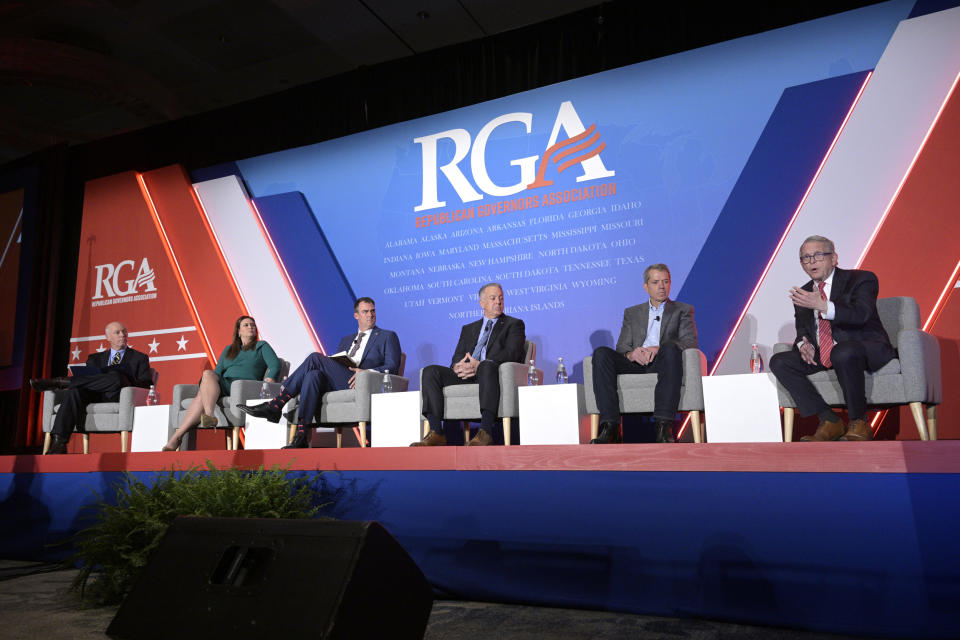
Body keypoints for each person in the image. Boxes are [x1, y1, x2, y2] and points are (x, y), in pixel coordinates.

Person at [769, 235, 894, 441]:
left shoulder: (862, 279)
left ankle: (859, 422)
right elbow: (802, 329)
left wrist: (824, 306)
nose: (812, 262)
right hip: (825, 352)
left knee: (842, 351)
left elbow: (861, 314)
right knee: (780, 361)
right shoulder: (804, 293)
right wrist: (803, 344)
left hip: (862, 346)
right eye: (805, 258)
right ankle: (829, 420)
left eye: (818, 255)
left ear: (834, 258)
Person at [240, 297, 401, 448]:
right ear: (356, 315)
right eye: (365, 311)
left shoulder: (387, 336)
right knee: (312, 376)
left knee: (315, 358)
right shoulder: (346, 339)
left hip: (362, 382)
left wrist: (365, 372)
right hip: (340, 381)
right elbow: (337, 363)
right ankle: (302, 435)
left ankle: (277, 403)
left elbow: (392, 366)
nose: (370, 315)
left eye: (373, 311)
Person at [591, 263, 698, 444]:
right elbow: (622, 346)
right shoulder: (632, 313)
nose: (662, 287)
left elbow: (690, 342)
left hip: (663, 362)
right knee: (601, 353)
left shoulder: (682, 310)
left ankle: (663, 426)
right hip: (636, 363)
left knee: (670, 348)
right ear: (646, 286)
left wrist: (658, 348)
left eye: (665, 281)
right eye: (656, 282)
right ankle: (610, 427)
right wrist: (631, 355)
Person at [411, 283, 526, 447]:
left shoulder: (513, 324)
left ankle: (485, 431)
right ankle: (437, 432)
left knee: (486, 365)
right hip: (467, 375)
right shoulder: (469, 328)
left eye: (501, 298)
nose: (498, 302)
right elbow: (458, 355)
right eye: (493, 298)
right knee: (430, 371)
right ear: (482, 303)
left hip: (491, 374)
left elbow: (512, 353)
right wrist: (458, 366)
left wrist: (479, 364)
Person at [30, 321, 152, 454]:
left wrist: (126, 380)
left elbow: (146, 384)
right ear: (108, 337)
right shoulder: (95, 358)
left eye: (124, 331)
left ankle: (60, 382)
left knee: (116, 377)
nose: (122, 335)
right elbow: (88, 381)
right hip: (94, 395)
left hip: (118, 395)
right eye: (117, 332)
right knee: (75, 391)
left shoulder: (139, 358)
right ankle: (59, 442)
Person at [163, 316, 279, 451]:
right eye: (246, 325)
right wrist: (208, 381)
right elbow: (217, 371)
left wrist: (269, 379)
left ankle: (177, 437)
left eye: (253, 325)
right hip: (224, 384)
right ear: (238, 331)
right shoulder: (229, 350)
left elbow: (275, 365)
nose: (251, 327)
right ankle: (207, 416)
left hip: (242, 387)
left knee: (202, 395)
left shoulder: (262, 346)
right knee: (207, 375)